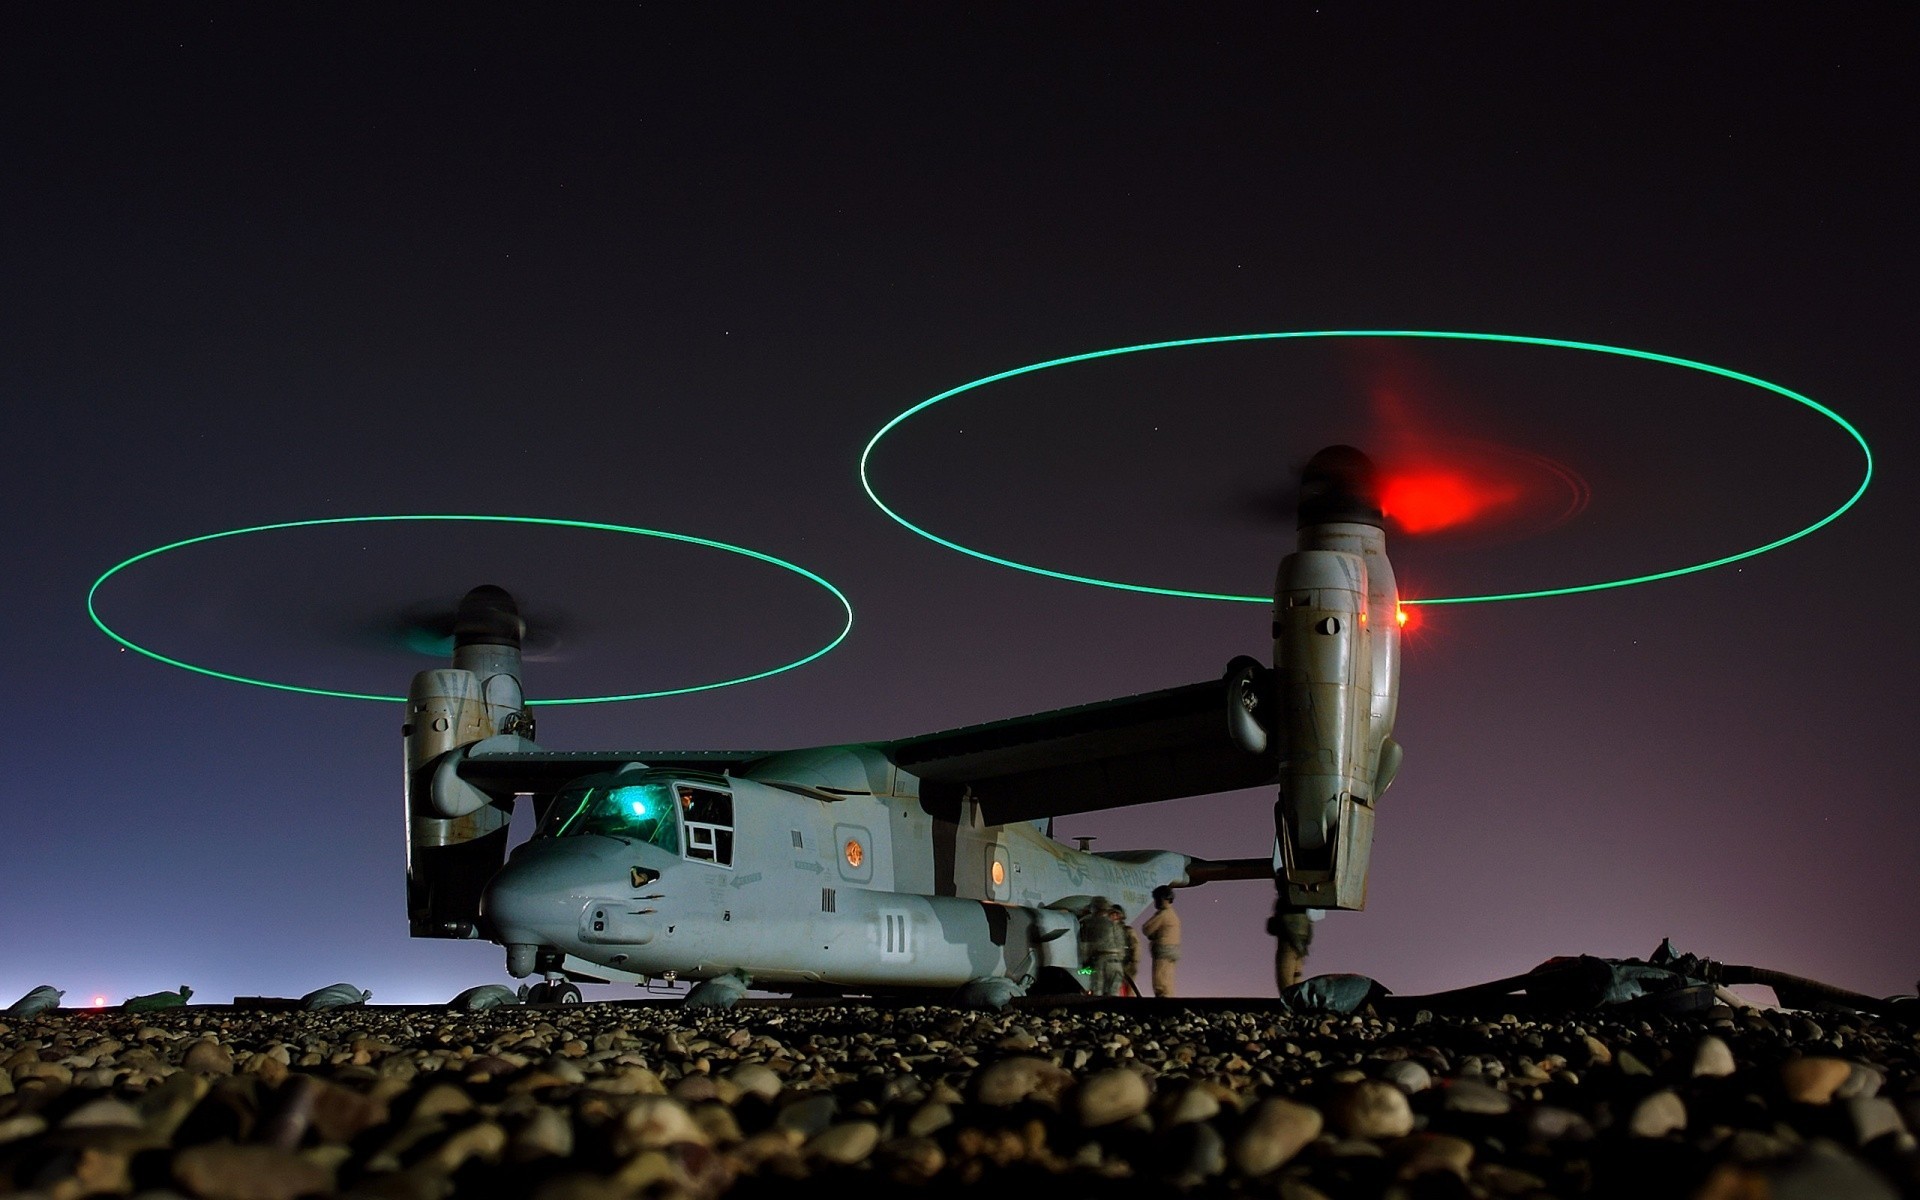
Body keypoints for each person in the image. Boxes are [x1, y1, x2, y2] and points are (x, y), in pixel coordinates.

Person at [1082, 896, 1128, 996]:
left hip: (1101, 961)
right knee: (1114, 993)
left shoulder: (1089, 923)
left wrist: (1085, 963)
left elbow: (1086, 946)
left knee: (1097, 993)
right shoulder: (1116, 924)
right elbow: (1122, 946)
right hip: (1117, 963)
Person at [1142, 885, 1182, 997]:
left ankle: (1162, 1006)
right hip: (1172, 951)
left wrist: (1153, 936)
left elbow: (1146, 929)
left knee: (1160, 983)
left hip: (1163, 951)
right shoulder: (1173, 915)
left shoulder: (1163, 914)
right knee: (1168, 981)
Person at [1111, 904, 1142, 996]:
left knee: (1128, 992)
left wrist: (1134, 962)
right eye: (1111, 914)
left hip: (1127, 966)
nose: (1113, 916)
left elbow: (1136, 947)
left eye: (1116, 914)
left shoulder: (1128, 931)